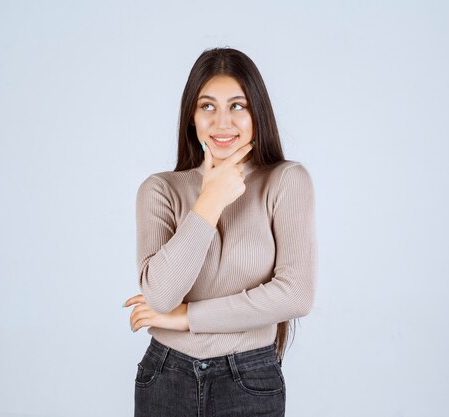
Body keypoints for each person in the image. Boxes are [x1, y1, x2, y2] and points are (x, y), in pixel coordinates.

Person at [122, 47, 317, 417]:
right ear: (191, 118)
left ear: (257, 113)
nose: (222, 122)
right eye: (207, 106)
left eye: (238, 106)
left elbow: (295, 295)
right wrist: (210, 200)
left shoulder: (286, 182)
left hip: (248, 377)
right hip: (165, 375)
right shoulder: (160, 189)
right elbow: (161, 297)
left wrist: (187, 319)